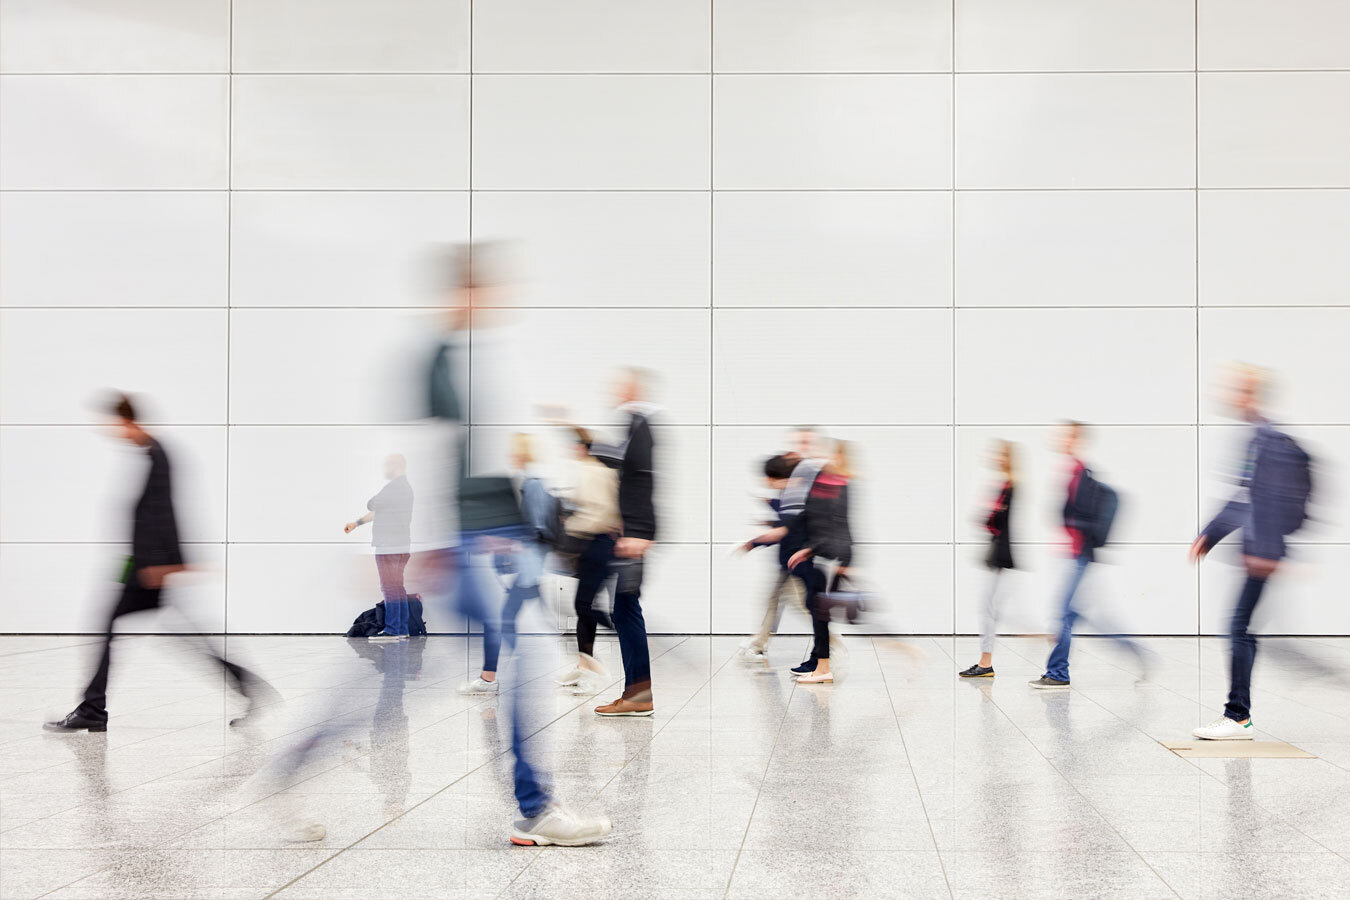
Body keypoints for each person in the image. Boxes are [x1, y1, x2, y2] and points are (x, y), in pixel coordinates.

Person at [423, 244, 611, 846]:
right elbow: (440, 459)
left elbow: (483, 471)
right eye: (487, 291)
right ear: (464, 294)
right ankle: (535, 810)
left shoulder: (475, 363)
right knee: (528, 657)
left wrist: (509, 535)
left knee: (527, 657)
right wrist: (446, 540)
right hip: (463, 547)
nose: (498, 303)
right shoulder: (444, 366)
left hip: (480, 544)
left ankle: (282, 779)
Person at [46, 393, 270, 733]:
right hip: (145, 565)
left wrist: (166, 564)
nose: (113, 432)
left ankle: (94, 708)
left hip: (149, 569)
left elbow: (163, 512)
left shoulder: (156, 455)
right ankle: (245, 684)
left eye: (114, 424)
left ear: (126, 421)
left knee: (114, 628)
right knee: (181, 636)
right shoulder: (151, 453)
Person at [1190, 366, 1312, 740]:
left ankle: (1238, 716)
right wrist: (1209, 535)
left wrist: (1266, 549)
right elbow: (1244, 499)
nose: (1231, 395)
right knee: (1243, 628)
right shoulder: (1257, 438)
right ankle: (1239, 712)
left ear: (1252, 395)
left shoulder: (1267, 439)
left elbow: (1268, 500)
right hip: (1262, 550)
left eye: (1239, 389)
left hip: (1262, 552)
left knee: (1239, 628)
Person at [1029, 422, 1139, 690]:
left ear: (1076, 439)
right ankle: (1136, 652)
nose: (1059, 438)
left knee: (1063, 615)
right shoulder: (1069, 470)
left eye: (1065, 434)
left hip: (1079, 555)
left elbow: (1079, 516)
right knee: (1079, 615)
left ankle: (1058, 673)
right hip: (1072, 554)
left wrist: (1069, 526)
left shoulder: (1078, 472)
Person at [588, 368, 659, 717]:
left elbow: (643, 477)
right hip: (631, 530)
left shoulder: (640, 424)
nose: (614, 390)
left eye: (620, 385)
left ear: (633, 389)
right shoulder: (635, 425)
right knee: (625, 609)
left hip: (636, 533)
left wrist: (640, 531)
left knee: (626, 610)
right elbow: (627, 473)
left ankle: (639, 695)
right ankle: (636, 693)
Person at [460, 433, 554, 695]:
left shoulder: (532, 484)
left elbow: (536, 527)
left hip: (527, 565)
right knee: (529, 618)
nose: (511, 456)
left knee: (500, 620)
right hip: (527, 567)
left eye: (515, 451)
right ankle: (578, 660)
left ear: (523, 453)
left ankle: (489, 678)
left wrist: (508, 545)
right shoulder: (527, 481)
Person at [787, 440, 855, 685]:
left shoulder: (839, 482)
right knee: (818, 609)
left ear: (838, 455)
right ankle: (819, 663)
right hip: (824, 554)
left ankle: (823, 667)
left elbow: (836, 524)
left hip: (831, 556)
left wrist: (812, 549)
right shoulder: (828, 480)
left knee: (820, 610)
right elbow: (815, 518)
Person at [556, 427, 620, 688]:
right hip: (603, 543)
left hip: (593, 543)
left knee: (585, 605)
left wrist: (570, 522)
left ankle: (589, 665)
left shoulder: (590, 471)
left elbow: (595, 511)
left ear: (583, 448)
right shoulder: (605, 472)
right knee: (587, 605)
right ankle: (585, 664)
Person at [737, 452, 807, 662]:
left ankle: (833, 643)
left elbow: (786, 530)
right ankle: (759, 644)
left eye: (767, 478)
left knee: (805, 608)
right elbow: (787, 524)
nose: (765, 481)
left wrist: (754, 542)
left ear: (774, 477)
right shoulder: (789, 494)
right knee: (771, 601)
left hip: (795, 563)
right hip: (787, 562)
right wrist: (769, 512)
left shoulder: (792, 495)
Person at [960, 441, 1017, 678]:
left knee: (991, 609)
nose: (995, 457)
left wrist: (989, 514)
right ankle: (985, 662)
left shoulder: (1010, 486)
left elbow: (994, 522)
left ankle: (986, 663)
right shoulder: (1004, 485)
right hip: (997, 555)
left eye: (1000, 454)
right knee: (991, 609)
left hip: (1001, 556)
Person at [345, 454, 414, 642]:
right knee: (397, 587)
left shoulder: (395, 487)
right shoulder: (404, 488)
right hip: (400, 544)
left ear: (397, 465)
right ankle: (401, 628)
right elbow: (378, 510)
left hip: (389, 545)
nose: (385, 468)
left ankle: (393, 630)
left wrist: (375, 500)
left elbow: (372, 503)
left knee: (389, 587)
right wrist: (357, 523)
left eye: (388, 464)